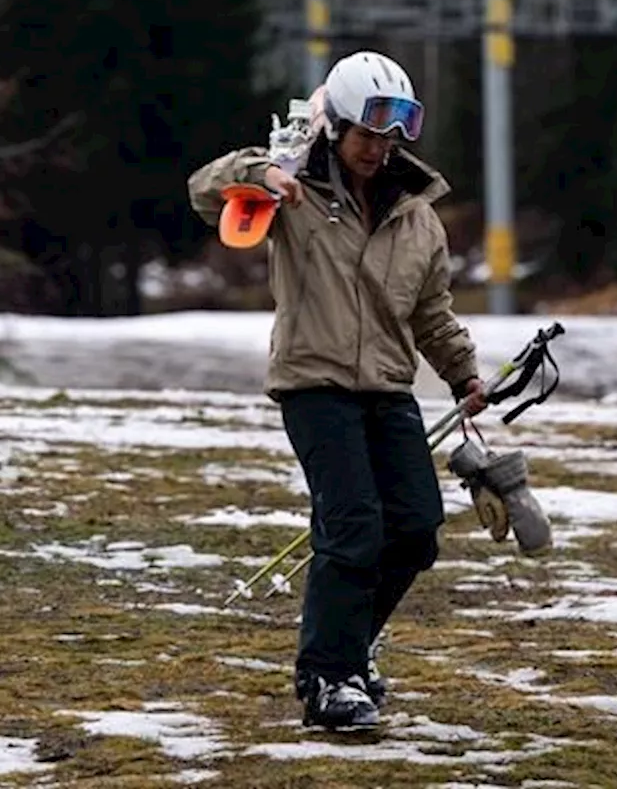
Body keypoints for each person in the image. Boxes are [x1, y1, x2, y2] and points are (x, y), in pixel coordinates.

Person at [186, 51, 487, 730]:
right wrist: (259, 172)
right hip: (313, 383)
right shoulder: (293, 191)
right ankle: (326, 680)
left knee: (414, 531)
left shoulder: (418, 218)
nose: (378, 150)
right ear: (337, 127)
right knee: (352, 528)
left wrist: (464, 373)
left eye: (390, 138)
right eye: (366, 135)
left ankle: (350, 648)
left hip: (388, 386)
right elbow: (204, 189)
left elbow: (431, 313)